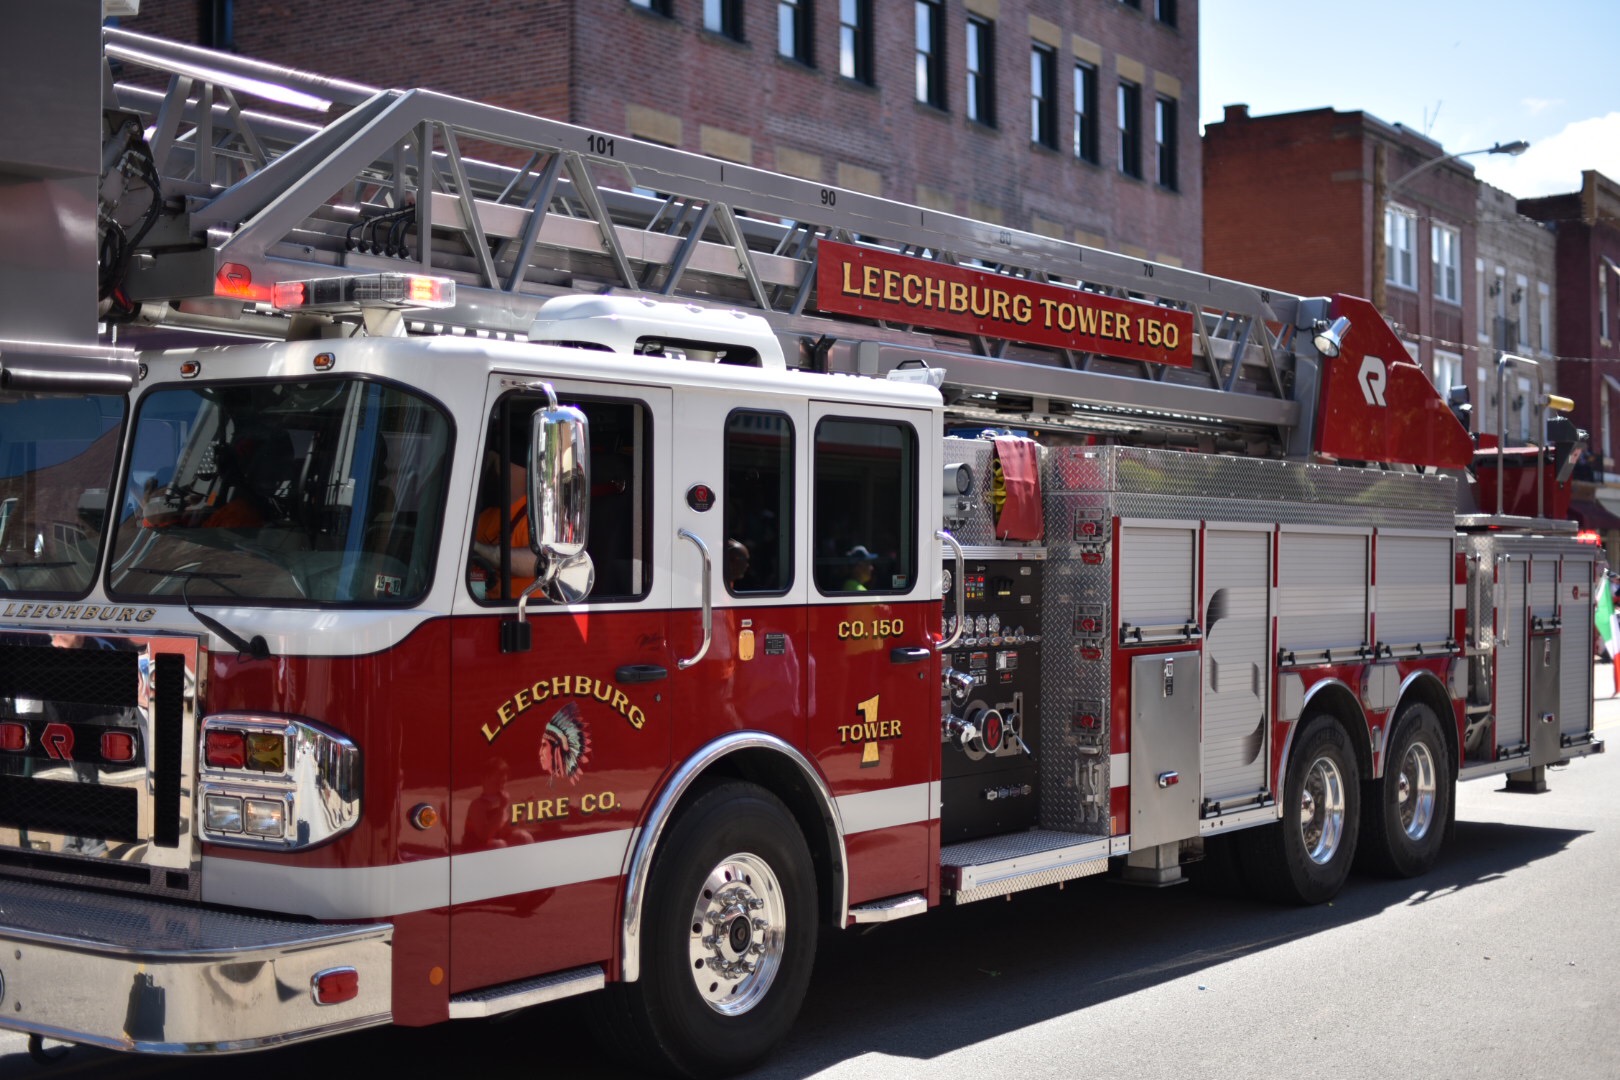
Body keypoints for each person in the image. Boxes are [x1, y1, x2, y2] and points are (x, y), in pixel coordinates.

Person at [472, 458, 538, 598]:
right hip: (483, 607)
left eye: (496, 461)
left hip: (525, 611)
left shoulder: (540, 515)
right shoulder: (484, 517)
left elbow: (536, 562)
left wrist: (477, 548)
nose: (493, 470)